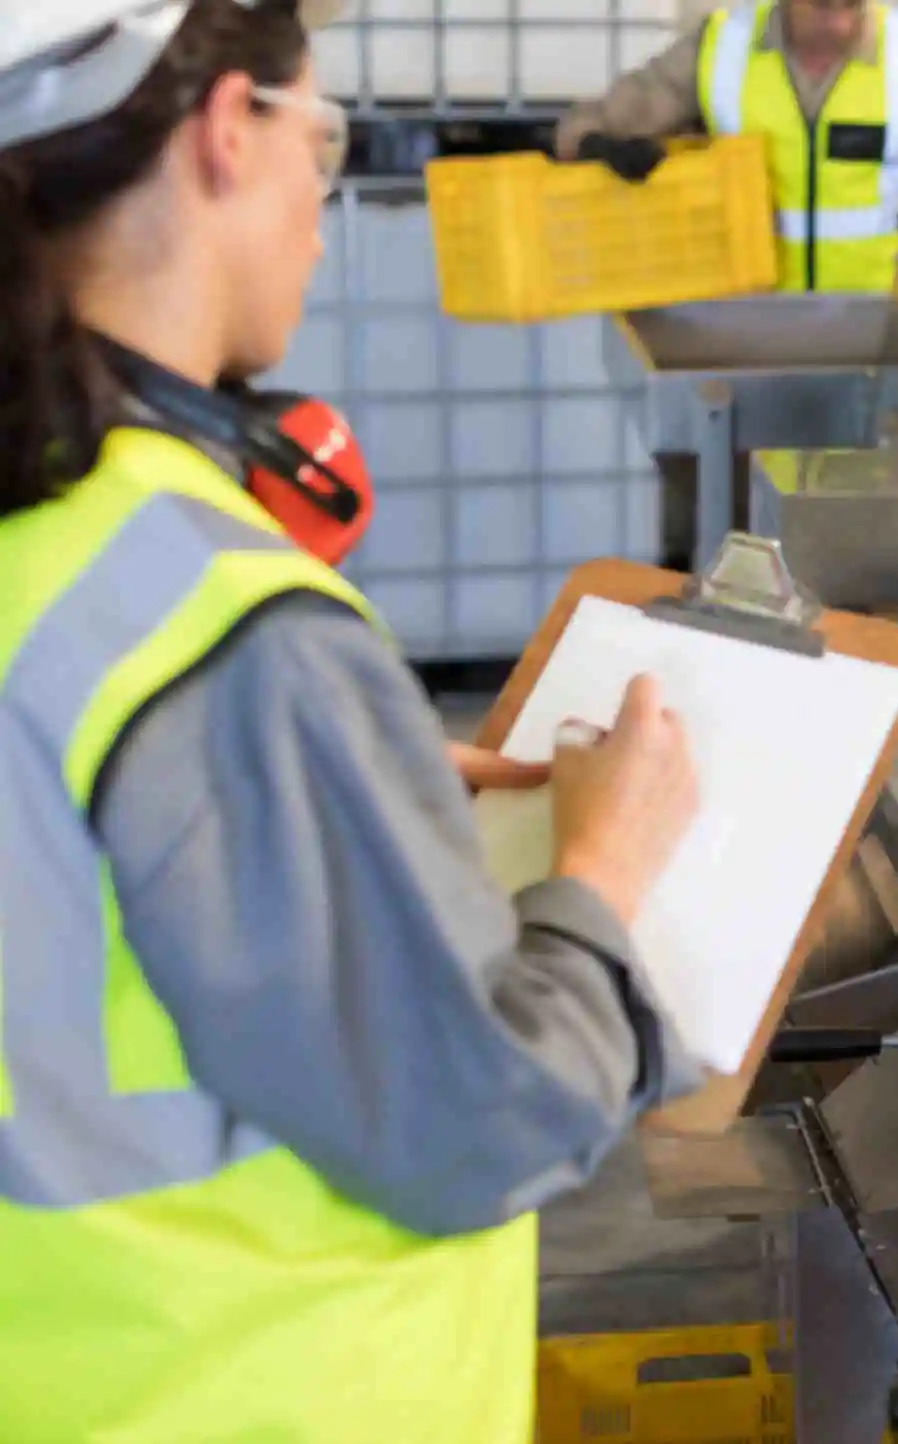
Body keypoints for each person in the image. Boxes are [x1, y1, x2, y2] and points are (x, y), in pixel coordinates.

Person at [0, 2, 706, 1439]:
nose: (322, 201)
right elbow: (473, 1123)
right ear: (223, 132)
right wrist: (604, 870)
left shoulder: (50, 543)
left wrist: (328, 799)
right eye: (323, 139)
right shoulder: (212, 620)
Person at [556, 0, 898, 293]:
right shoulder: (720, 47)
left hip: (890, 335)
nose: (839, 19)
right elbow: (585, 123)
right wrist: (596, 145)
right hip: (751, 334)